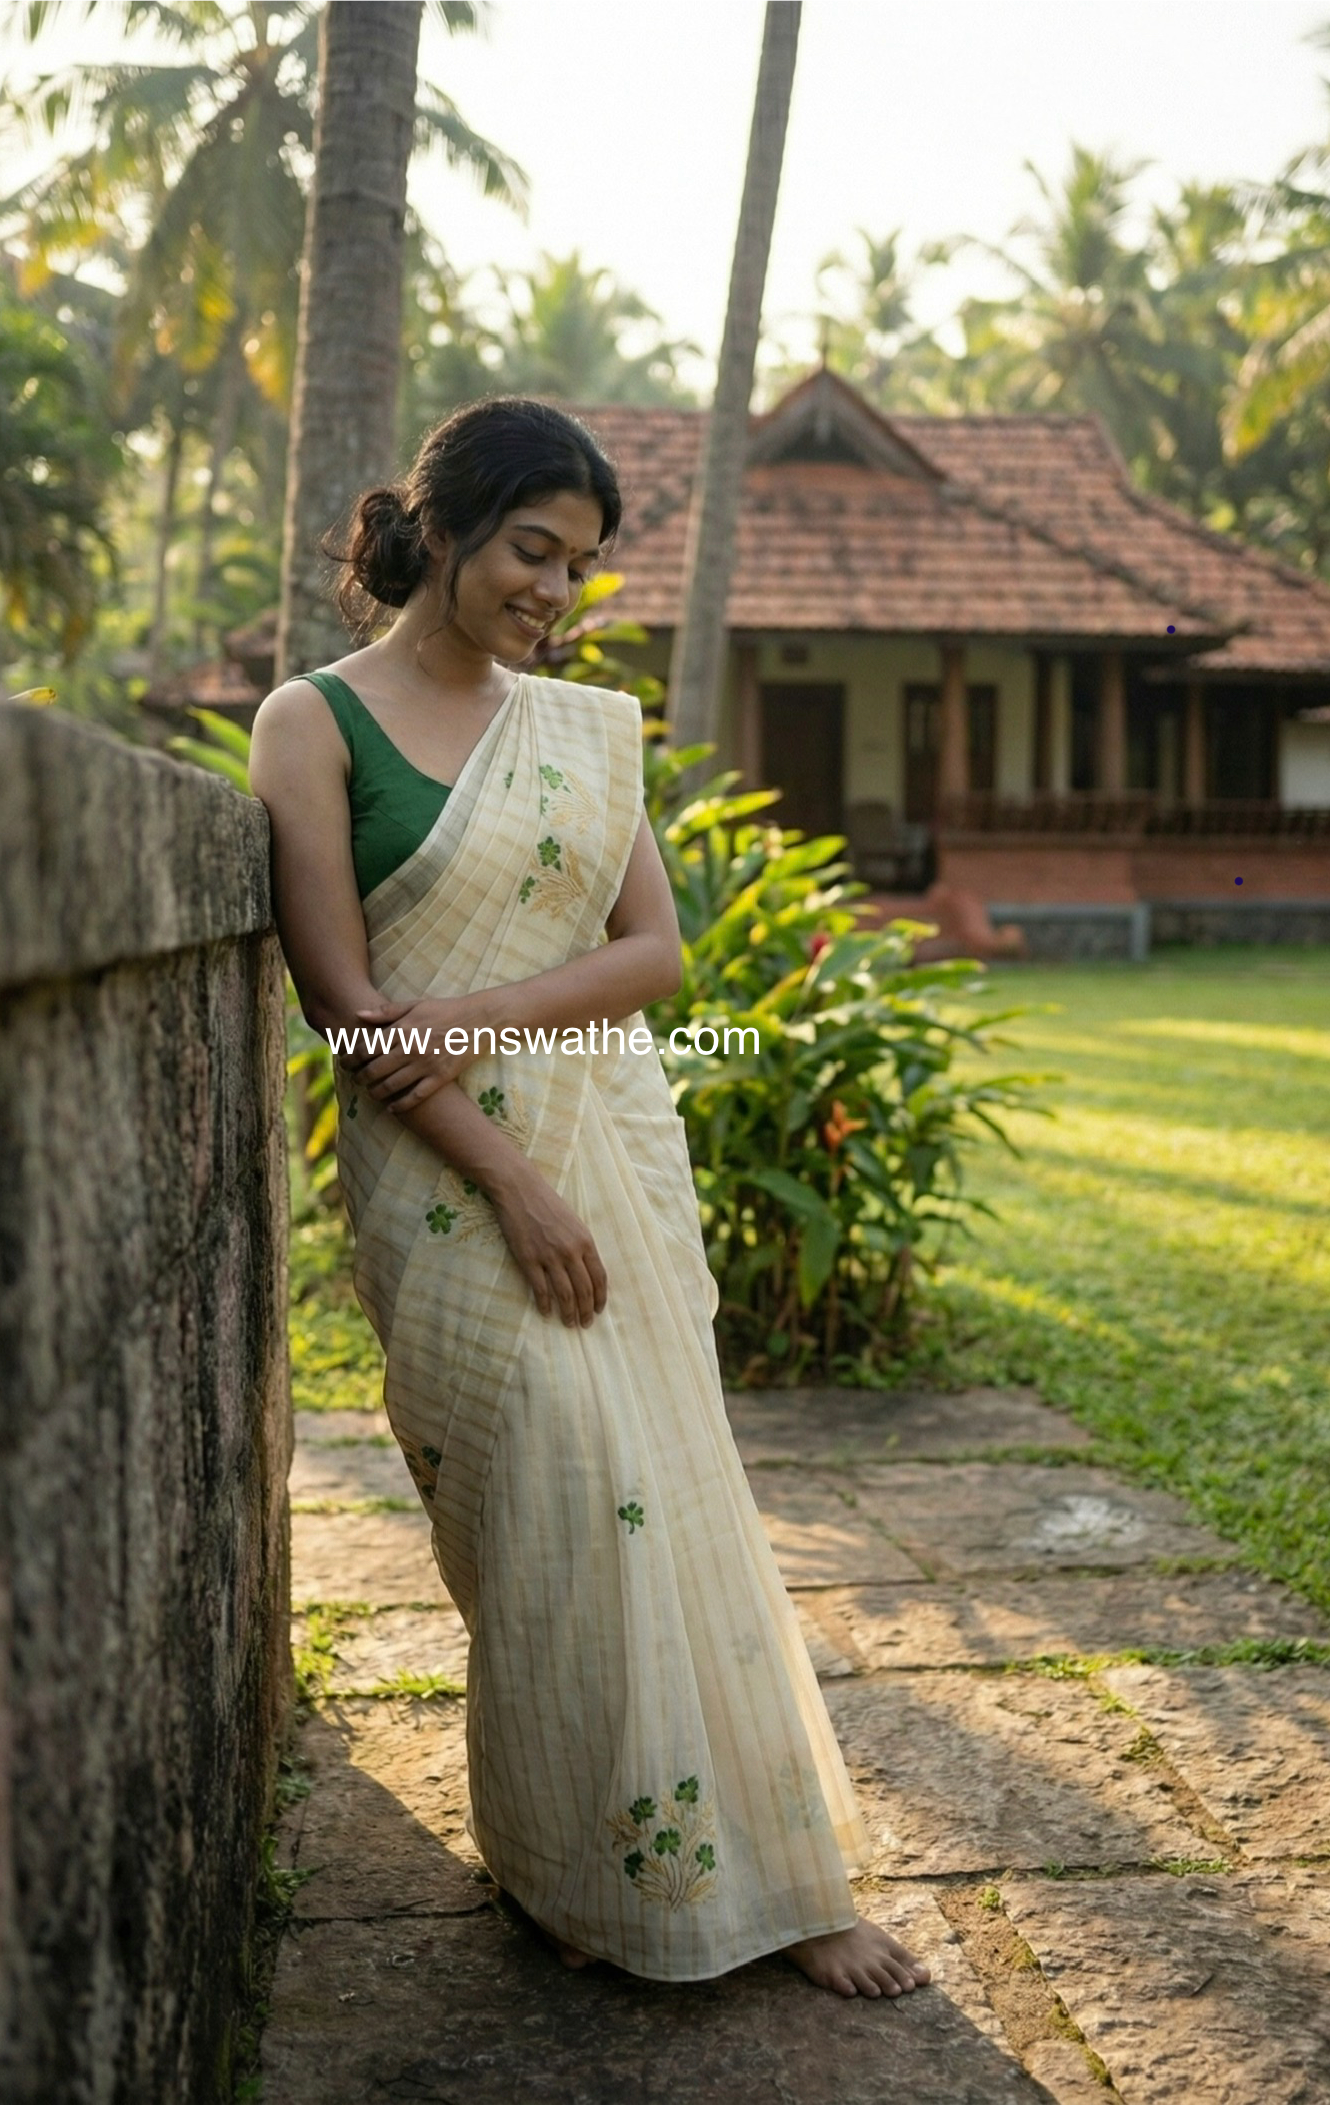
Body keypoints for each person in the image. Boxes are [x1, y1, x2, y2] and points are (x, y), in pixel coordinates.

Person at [249, 396, 929, 1998]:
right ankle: (572, 1874)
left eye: (581, 566)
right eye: (532, 552)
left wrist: (483, 1040)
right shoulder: (315, 721)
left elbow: (656, 957)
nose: (553, 593)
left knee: (655, 1479)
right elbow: (352, 1016)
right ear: (446, 532)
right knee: (544, 1499)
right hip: (437, 1187)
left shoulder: (578, 733)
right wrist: (515, 1187)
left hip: (586, 1146)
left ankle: (774, 1878)